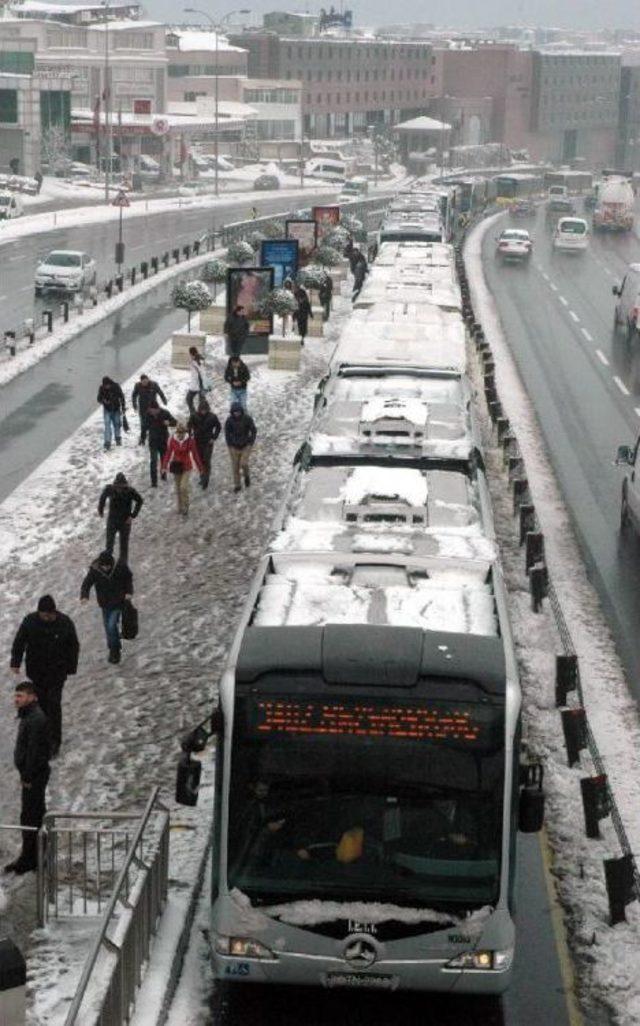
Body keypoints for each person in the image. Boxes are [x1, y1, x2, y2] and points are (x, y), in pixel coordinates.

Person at [10, 596, 79, 758]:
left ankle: (54, 742)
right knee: (41, 706)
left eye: (49, 614)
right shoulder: (30, 622)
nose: (47, 618)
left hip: (57, 673)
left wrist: (71, 667)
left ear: (54, 612)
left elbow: (73, 646)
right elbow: (19, 642)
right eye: (43, 615)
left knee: (54, 705)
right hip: (37, 672)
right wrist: (15, 661)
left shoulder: (64, 622)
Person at [4, 682, 50, 875]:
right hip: (32, 775)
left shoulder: (35, 719)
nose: (16, 700)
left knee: (31, 816)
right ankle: (32, 856)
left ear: (32, 697)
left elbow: (35, 752)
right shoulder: (29, 716)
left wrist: (27, 775)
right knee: (32, 814)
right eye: (16, 696)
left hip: (34, 776)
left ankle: (32, 858)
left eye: (20, 696)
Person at [80, 551, 133, 664]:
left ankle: (115, 652)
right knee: (109, 629)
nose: (106, 568)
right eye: (104, 566)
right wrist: (84, 596)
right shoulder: (95, 571)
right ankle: (114, 648)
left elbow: (128, 578)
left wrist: (129, 592)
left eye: (108, 566)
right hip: (105, 605)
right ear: (100, 564)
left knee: (111, 625)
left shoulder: (119, 567)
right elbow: (86, 584)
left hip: (119, 602)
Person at [98, 472, 143, 564]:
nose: (119, 489)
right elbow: (102, 498)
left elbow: (140, 501)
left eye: (121, 487)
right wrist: (100, 510)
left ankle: (122, 567)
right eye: (118, 487)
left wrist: (133, 515)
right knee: (109, 546)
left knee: (124, 546)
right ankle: (107, 565)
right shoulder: (109, 489)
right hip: (112, 521)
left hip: (125, 522)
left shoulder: (130, 491)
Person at [161, 421, 204, 516]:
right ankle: (180, 507)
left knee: (183, 487)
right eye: (178, 432)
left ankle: (186, 505)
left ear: (185, 432)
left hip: (186, 466)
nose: (180, 434)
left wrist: (200, 468)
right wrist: (164, 467)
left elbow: (195, 454)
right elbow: (168, 454)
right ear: (176, 432)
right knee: (178, 488)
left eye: (182, 432)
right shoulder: (172, 440)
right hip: (176, 466)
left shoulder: (190, 441)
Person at [188, 398, 221, 490]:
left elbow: (218, 427)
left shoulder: (213, 417)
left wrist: (214, 437)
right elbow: (189, 425)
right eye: (202, 410)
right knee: (199, 460)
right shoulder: (194, 416)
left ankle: (206, 479)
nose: (203, 412)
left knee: (207, 460)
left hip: (208, 442)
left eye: (205, 410)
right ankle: (202, 476)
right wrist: (190, 434)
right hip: (197, 441)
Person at [225, 401, 257, 493]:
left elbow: (253, 430)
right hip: (234, 447)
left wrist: (251, 441)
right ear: (232, 412)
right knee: (235, 467)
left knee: (244, 463)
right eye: (235, 412)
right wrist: (229, 444)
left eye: (238, 411)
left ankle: (246, 476)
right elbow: (227, 433)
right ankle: (237, 485)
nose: (237, 413)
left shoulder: (247, 419)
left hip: (245, 445)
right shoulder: (229, 421)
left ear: (241, 411)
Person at [145, 401, 176, 488]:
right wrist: (143, 437)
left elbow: (175, 422)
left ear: (158, 409)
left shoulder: (165, 413)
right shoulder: (148, 414)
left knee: (164, 459)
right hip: (153, 441)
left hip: (163, 440)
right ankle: (154, 482)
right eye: (151, 410)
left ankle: (163, 476)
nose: (152, 412)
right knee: (153, 460)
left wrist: (169, 423)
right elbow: (144, 426)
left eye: (154, 410)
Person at [132, 374, 167, 445]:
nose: (145, 383)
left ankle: (155, 437)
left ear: (148, 379)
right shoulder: (137, 386)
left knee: (154, 423)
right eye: (143, 382)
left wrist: (164, 399)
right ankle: (142, 439)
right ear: (141, 382)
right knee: (143, 424)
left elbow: (160, 392)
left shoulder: (154, 385)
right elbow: (134, 396)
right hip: (143, 408)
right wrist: (135, 405)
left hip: (153, 408)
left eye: (146, 381)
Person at [97, 376, 126, 451]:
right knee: (107, 425)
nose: (106, 387)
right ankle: (107, 442)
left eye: (107, 385)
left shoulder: (116, 386)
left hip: (116, 409)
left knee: (117, 424)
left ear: (110, 383)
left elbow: (122, 397)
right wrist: (104, 401)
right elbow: (98, 399)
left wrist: (123, 407)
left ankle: (118, 438)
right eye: (105, 385)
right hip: (107, 410)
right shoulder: (101, 388)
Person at [186, 347, 207, 415]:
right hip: (200, 384)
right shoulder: (200, 359)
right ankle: (196, 414)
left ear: (191, 354)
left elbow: (198, 374)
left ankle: (195, 414)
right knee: (201, 401)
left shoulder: (195, 361)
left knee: (189, 399)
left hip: (198, 384)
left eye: (189, 354)